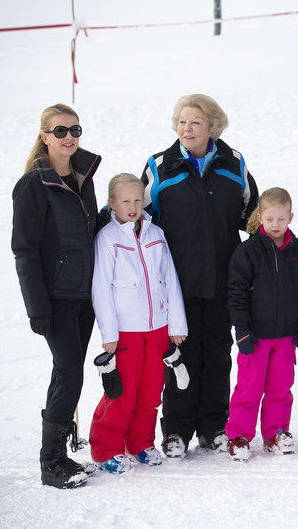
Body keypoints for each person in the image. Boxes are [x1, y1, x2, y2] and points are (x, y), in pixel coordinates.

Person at [141, 94, 259, 457]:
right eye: (181, 122)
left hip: (223, 278)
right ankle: (176, 430)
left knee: (218, 354)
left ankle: (213, 426)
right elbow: (138, 214)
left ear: (212, 127)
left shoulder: (233, 162)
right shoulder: (160, 166)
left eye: (195, 122)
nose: (186, 129)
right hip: (176, 282)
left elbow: (251, 214)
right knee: (179, 356)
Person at [12, 103, 100, 489]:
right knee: (68, 373)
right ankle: (51, 463)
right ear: (45, 136)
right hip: (57, 298)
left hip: (86, 295)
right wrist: (37, 307)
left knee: (71, 373)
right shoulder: (33, 184)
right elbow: (24, 250)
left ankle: (63, 452)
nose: (69, 137)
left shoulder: (85, 175)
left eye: (75, 130)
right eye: (60, 131)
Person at [88, 174, 188, 473]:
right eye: (125, 201)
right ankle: (106, 448)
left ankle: (141, 442)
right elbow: (101, 288)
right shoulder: (108, 239)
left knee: (150, 390)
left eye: (137, 200)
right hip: (126, 330)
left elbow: (169, 278)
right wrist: (109, 332)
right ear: (112, 204)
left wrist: (176, 324)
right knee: (123, 392)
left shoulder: (155, 233)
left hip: (157, 327)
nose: (132, 207)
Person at [225, 188, 298, 462]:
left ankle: (276, 433)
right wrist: (240, 328)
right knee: (249, 388)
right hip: (255, 337)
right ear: (260, 217)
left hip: (286, 337)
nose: (275, 225)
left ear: (290, 217)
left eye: (281, 219)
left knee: (280, 387)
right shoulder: (248, 251)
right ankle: (239, 436)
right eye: (270, 219)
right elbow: (237, 292)